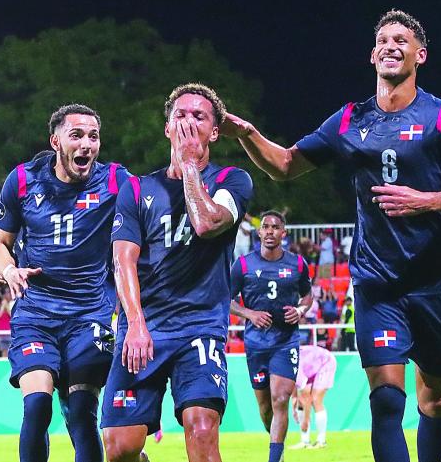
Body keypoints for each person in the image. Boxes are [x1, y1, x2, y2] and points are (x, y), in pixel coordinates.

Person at [221, 10, 441, 462]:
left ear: (420, 55)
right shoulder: (350, 120)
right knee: (386, 402)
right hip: (377, 283)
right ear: (372, 55)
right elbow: (287, 165)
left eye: (402, 40)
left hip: (437, 283)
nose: (391, 45)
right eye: (383, 40)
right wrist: (247, 134)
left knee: (436, 401)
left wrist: (425, 200)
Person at [101, 83, 253, 462]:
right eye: (179, 116)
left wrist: (188, 164)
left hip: (199, 328)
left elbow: (205, 223)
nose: (188, 123)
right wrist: (134, 323)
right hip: (144, 328)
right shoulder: (136, 189)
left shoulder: (233, 181)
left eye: (199, 116)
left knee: (201, 431)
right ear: (167, 128)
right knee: (121, 448)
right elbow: (123, 261)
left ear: (214, 132)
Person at [0, 104, 129, 462]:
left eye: (93, 136)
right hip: (35, 314)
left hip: (90, 317)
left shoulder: (116, 181)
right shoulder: (22, 180)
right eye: (77, 135)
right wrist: (8, 271)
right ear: (55, 141)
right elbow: (1, 245)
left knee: (82, 413)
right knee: (37, 407)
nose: (86, 144)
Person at [229, 210, 311, 462]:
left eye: (276, 227)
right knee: (266, 409)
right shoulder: (243, 265)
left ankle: (274, 458)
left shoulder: (297, 264)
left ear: (283, 233)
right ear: (259, 231)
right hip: (255, 344)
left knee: (280, 398)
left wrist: (300, 310)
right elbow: (226, 299)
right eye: (266, 227)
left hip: (285, 342)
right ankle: (278, 446)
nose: (270, 231)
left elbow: (308, 296)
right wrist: (249, 314)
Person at [290, 344, 336, 449]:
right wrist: (294, 403)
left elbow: (307, 398)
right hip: (311, 367)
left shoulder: (295, 366)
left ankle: (321, 441)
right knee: (299, 402)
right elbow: (294, 389)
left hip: (325, 362)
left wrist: (306, 420)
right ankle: (305, 441)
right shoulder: (287, 366)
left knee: (316, 400)